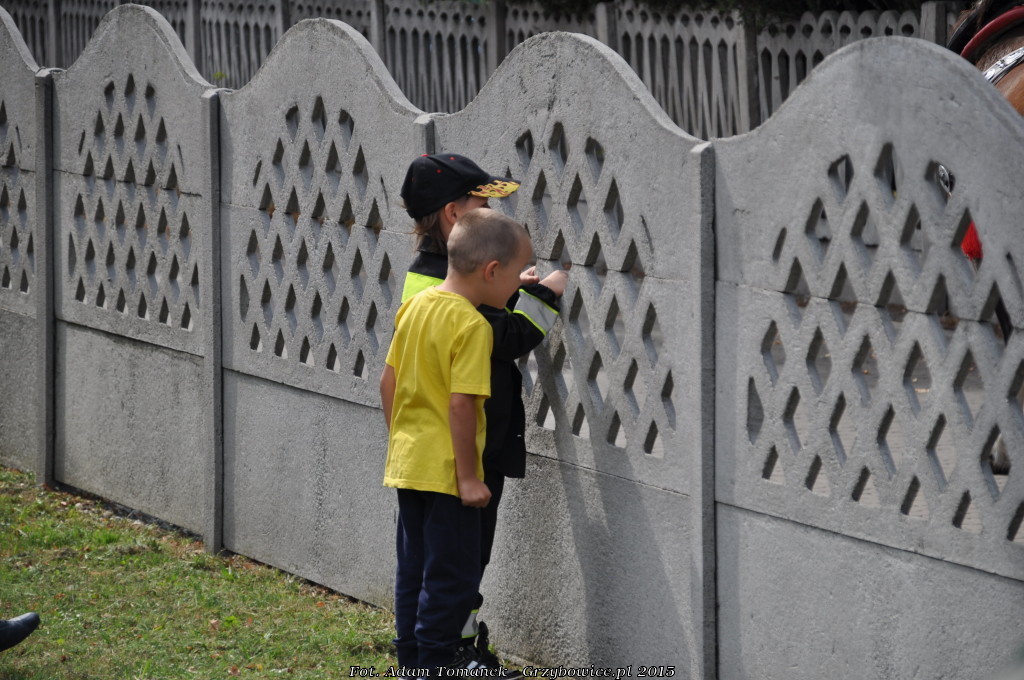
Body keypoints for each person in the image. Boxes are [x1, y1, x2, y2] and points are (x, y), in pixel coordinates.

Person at [398, 154, 568, 663]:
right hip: (463, 456)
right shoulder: (450, 300)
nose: (491, 213)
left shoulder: (432, 284)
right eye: (482, 203)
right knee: (457, 564)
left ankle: (427, 655)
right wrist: (542, 296)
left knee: (427, 564)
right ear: (455, 214)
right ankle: (446, 657)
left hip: (422, 456)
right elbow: (504, 337)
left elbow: (390, 379)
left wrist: (511, 284)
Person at [380, 208, 535, 671]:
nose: (519, 286)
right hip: (450, 476)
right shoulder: (472, 326)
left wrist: (403, 442)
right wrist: (469, 478)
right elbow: (462, 405)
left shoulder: (415, 307)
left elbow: (388, 383)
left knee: (413, 571)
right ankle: (435, 666)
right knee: (451, 579)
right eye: (518, 276)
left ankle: (411, 665)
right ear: (492, 271)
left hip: (409, 466)